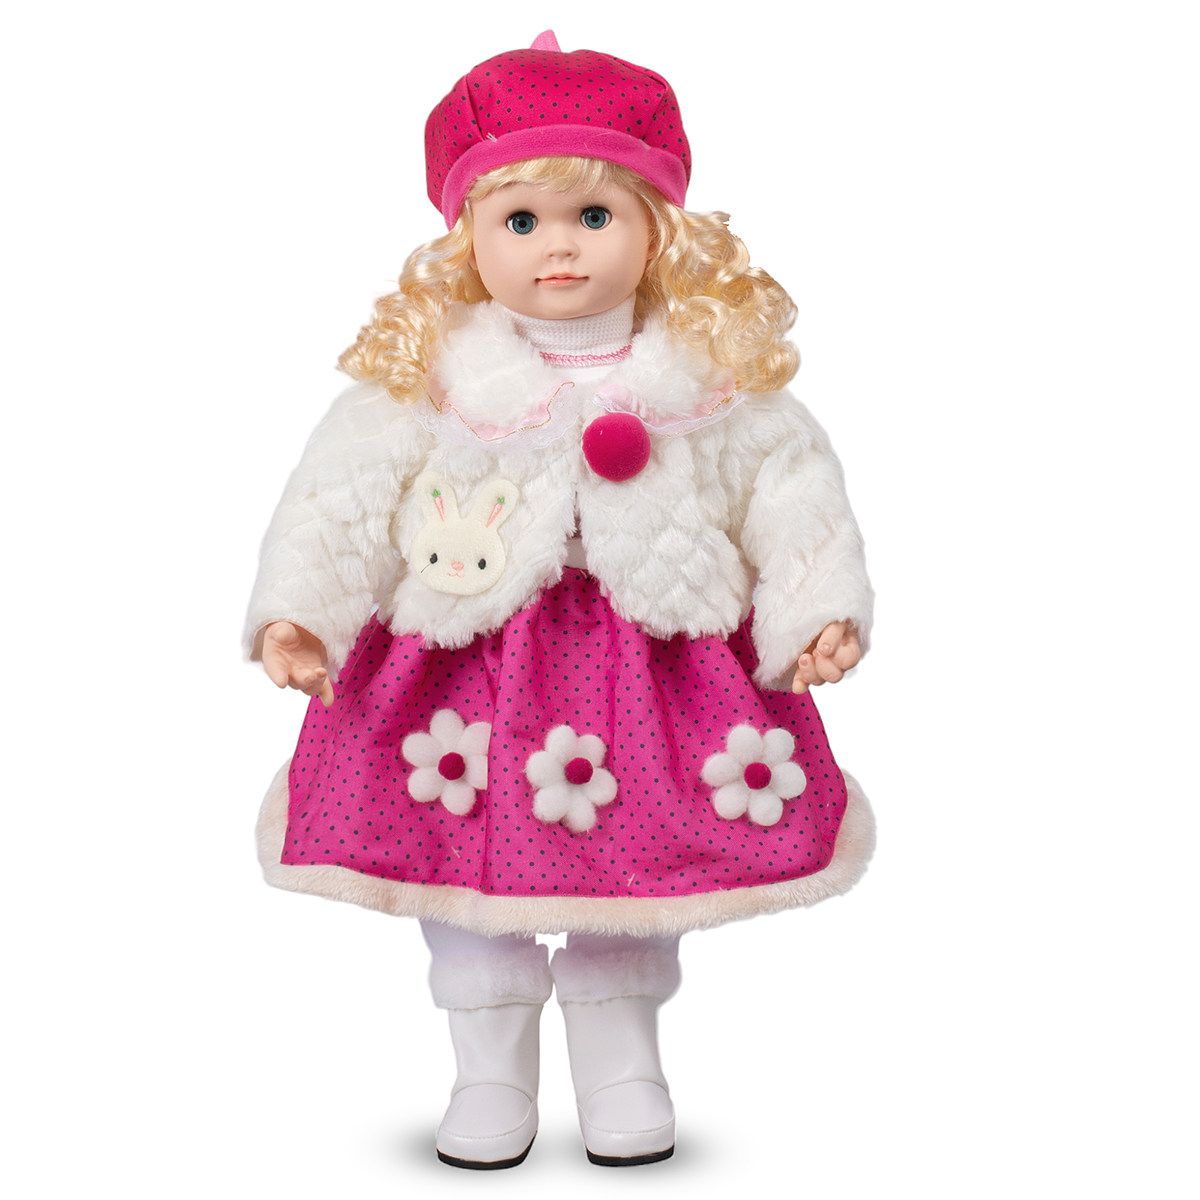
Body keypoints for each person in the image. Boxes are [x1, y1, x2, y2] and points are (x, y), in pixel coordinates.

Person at [245, 31, 875, 1170]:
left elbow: (790, 489)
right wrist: (302, 612)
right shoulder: (432, 381)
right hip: (466, 666)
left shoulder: (710, 382)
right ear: (468, 237)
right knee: (453, 850)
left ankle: (622, 1055)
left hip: (652, 661)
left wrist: (814, 605)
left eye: (593, 214)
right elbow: (340, 495)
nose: (560, 246)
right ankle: (487, 1066)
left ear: (658, 229)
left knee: (638, 853)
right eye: (521, 220)